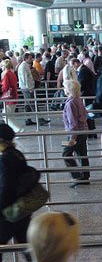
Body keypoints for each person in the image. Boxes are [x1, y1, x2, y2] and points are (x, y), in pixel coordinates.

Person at [0, 124, 32, 262]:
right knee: (27, 248)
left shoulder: (5, 159)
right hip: (21, 212)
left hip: (9, 214)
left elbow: (6, 190)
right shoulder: (17, 154)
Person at [62, 80, 90, 188]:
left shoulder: (71, 103)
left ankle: (77, 176)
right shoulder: (78, 100)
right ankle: (85, 177)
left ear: (69, 90)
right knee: (82, 154)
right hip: (82, 131)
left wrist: (72, 138)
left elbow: (73, 123)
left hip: (74, 133)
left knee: (65, 153)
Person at [18, 53, 49, 126]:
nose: (31, 59)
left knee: (28, 104)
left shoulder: (26, 66)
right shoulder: (23, 67)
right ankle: (39, 119)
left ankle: (27, 119)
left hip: (27, 87)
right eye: (30, 58)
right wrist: (30, 88)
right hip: (26, 88)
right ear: (26, 59)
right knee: (32, 103)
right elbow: (25, 78)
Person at [1, 60, 23, 133]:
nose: (1, 68)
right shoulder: (12, 73)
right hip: (13, 96)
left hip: (9, 98)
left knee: (6, 116)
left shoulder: (7, 74)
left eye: (2, 66)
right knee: (9, 116)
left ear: (5, 66)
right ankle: (13, 130)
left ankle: (18, 129)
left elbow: (5, 87)